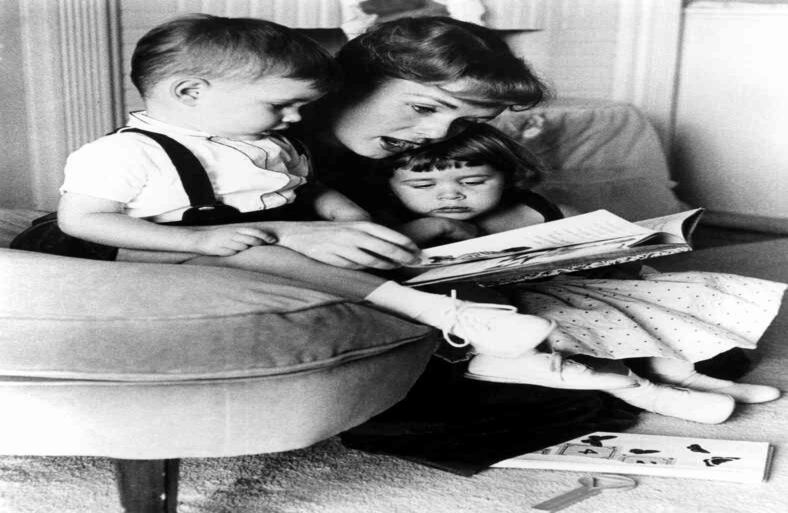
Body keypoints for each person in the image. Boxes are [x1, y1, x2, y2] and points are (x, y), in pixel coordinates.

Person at [11, 14, 637, 393]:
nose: (436, 134)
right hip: (187, 244)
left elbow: (496, 190)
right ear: (348, 85)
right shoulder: (242, 136)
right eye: (424, 107)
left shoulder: (386, 148)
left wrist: (506, 218)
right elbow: (165, 212)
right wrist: (294, 232)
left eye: (462, 122)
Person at [369, 121, 785, 424]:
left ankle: (692, 377)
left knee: (638, 310)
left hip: (563, 287)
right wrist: (426, 231)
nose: (450, 195)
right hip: (502, 314)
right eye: (422, 186)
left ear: (507, 176)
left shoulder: (535, 209)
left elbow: (593, 240)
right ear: (389, 186)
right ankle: (650, 394)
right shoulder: (396, 224)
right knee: (565, 329)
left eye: (474, 181)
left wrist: (618, 249)